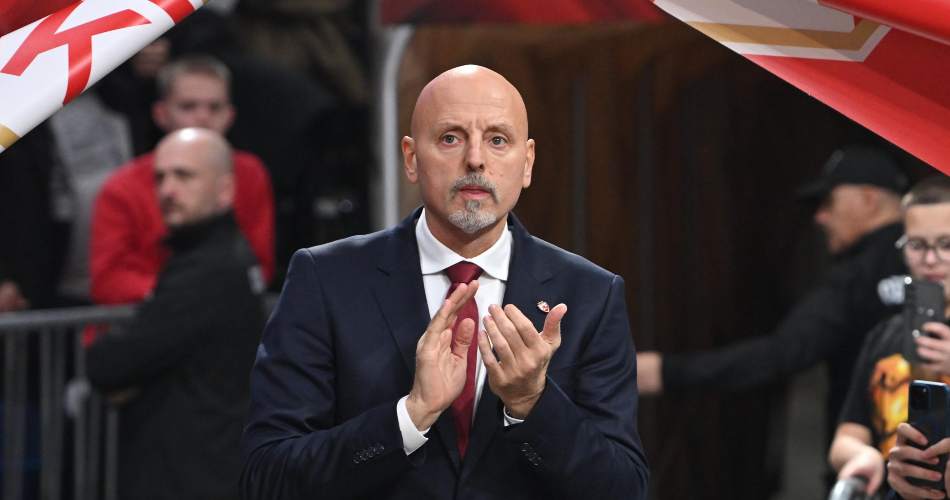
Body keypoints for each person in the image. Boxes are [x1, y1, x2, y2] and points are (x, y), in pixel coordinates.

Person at [240, 65, 649, 499]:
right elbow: (266, 479)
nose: (475, 159)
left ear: (527, 163)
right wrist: (409, 417)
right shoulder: (326, 279)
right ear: (411, 158)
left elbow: (624, 490)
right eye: (451, 138)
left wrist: (532, 402)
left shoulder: (590, 295)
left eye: (497, 140)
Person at [636, 146, 909, 441]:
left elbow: (784, 353)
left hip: (872, 455)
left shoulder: (855, 277)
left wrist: (666, 372)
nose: (820, 216)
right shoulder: (916, 268)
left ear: (868, 199)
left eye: (829, 202)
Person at [86, 128, 266, 500]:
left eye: (184, 176)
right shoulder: (215, 257)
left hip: (195, 473)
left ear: (225, 190)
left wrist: (121, 369)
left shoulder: (208, 270)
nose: (167, 190)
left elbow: (108, 364)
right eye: (160, 178)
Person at [90, 55, 275, 305]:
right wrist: (182, 293)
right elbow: (108, 280)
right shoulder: (122, 187)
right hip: (146, 318)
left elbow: (260, 263)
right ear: (161, 114)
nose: (203, 117)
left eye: (214, 107)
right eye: (188, 106)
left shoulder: (250, 174)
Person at [831, 176, 950, 498]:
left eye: (946, 244)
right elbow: (847, 435)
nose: (930, 260)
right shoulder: (884, 335)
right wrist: (862, 455)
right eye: (917, 245)